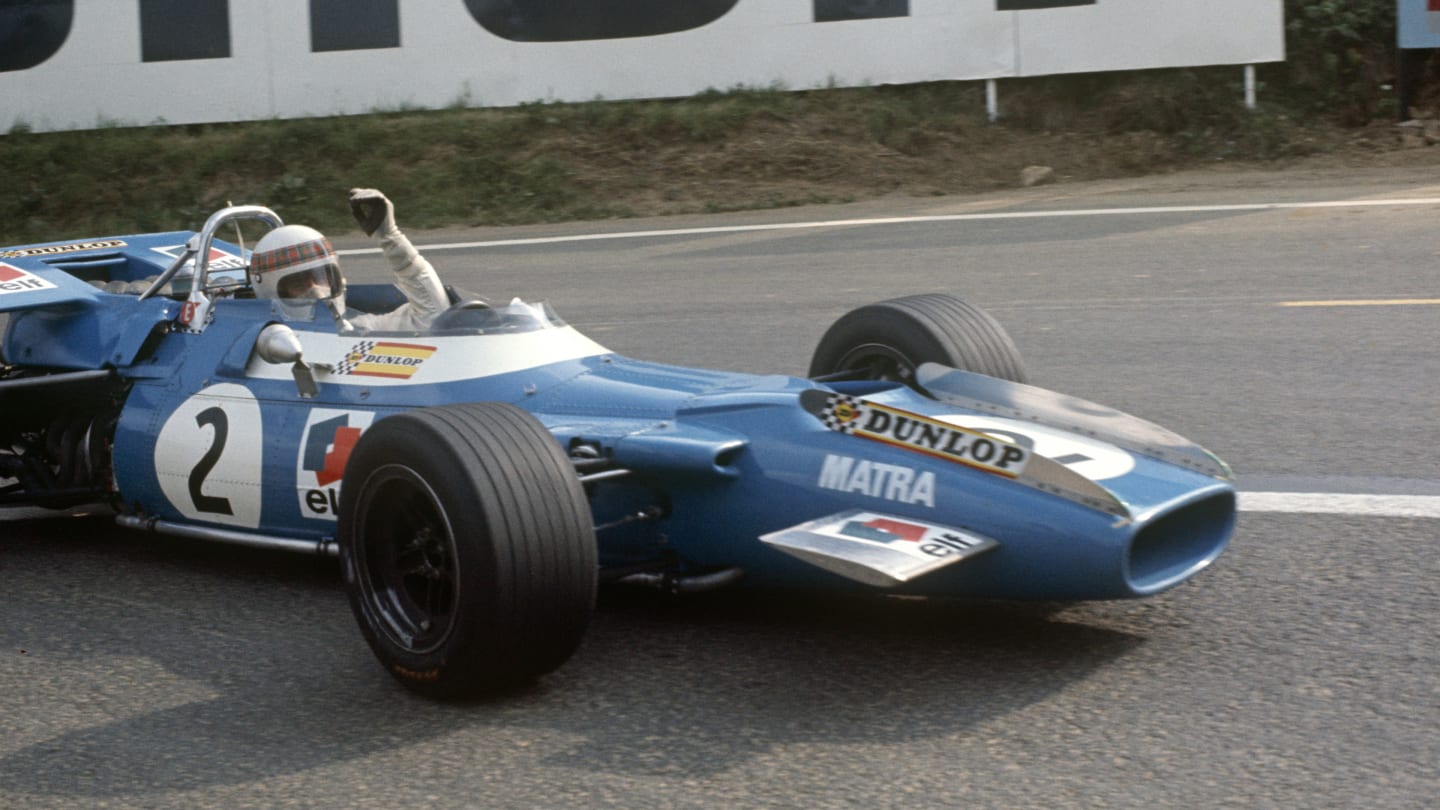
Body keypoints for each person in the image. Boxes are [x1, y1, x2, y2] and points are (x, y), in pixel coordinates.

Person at [249, 188, 448, 331]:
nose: (315, 288)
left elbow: (433, 318)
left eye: (322, 277)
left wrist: (391, 238)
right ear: (270, 290)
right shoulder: (260, 342)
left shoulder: (357, 328)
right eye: (300, 283)